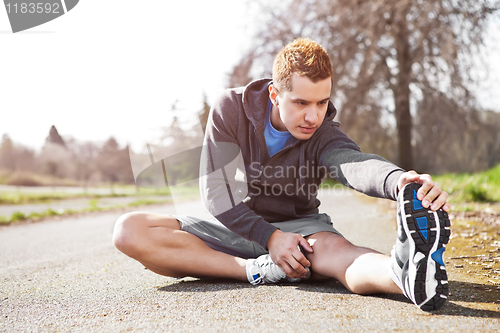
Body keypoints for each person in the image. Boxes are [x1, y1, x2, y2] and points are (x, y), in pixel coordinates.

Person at [113, 38, 451, 311]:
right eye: (301, 103)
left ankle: (405, 276)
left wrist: (398, 182)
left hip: (299, 232)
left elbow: (353, 163)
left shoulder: (323, 134)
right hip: (230, 225)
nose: (313, 116)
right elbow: (218, 192)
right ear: (275, 94)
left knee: (339, 254)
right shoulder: (230, 109)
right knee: (130, 230)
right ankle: (256, 270)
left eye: (322, 103)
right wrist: (270, 239)